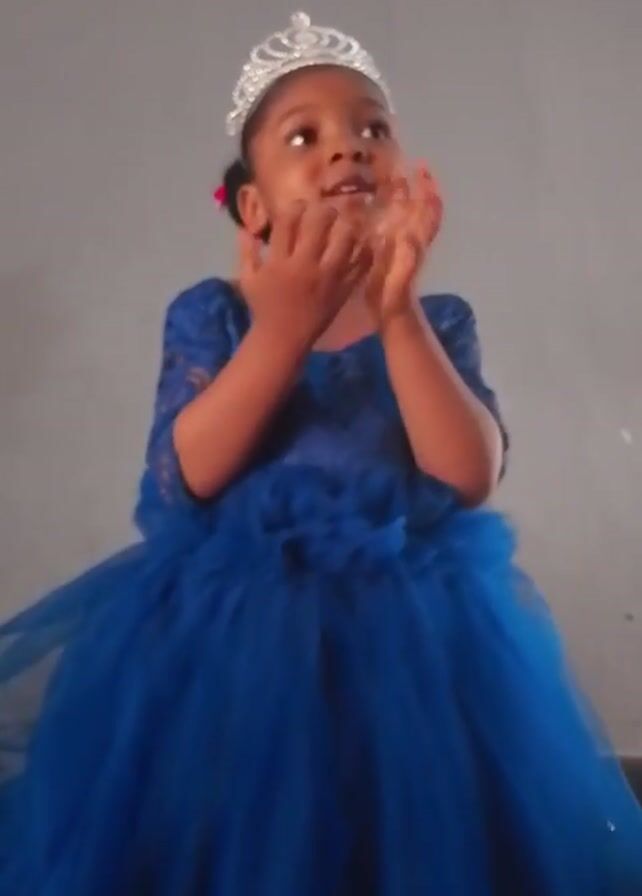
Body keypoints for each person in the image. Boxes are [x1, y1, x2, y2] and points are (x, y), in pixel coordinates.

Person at [1, 11, 641, 895]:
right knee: (237, 832)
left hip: (417, 641)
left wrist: (397, 311)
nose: (349, 147)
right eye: (305, 137)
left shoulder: (436, 318)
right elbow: (187, 475)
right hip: (235, 637)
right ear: (254, 207)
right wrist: (285, 328)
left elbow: (467, 474)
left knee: (409, 833)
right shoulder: (217, 314)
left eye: (373, 129)